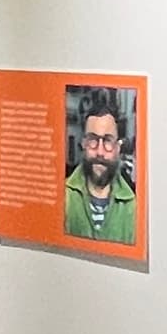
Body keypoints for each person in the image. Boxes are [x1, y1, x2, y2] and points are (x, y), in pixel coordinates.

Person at [64, 96, 136, 246]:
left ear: (118, 147)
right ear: (83, 144)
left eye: (108, 141)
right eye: (93, 140)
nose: (100, 152)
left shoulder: (133, 207)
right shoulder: (63, 197)